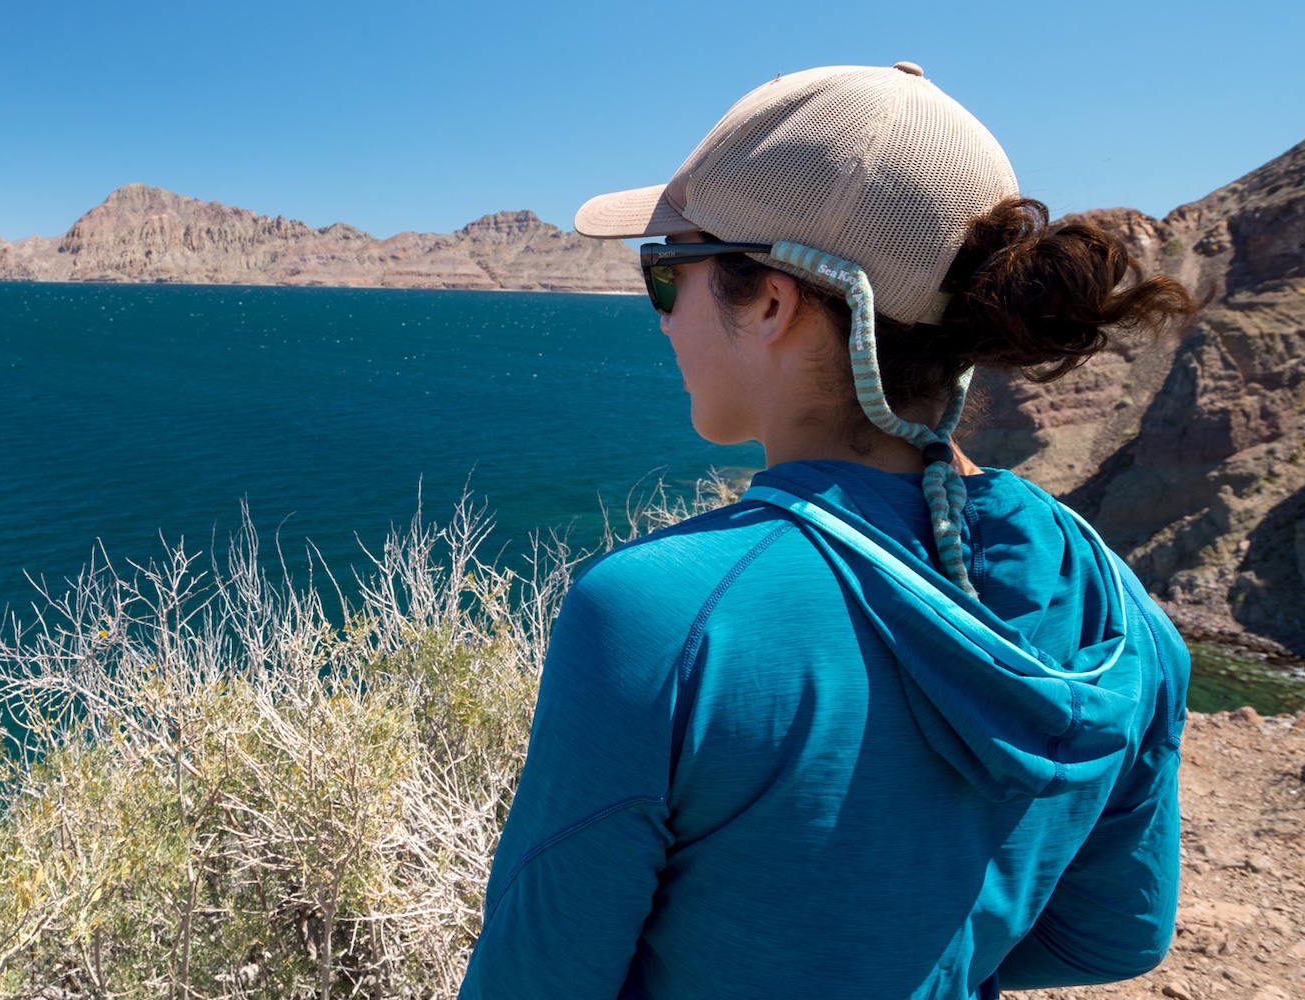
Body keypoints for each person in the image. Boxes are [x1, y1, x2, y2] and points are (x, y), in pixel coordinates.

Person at [457, 63, 1198, 999]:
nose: (661, 317)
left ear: (771, 300)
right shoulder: (1119, 614)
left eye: (664, 271)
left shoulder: (662, 617)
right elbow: (1113, 940)